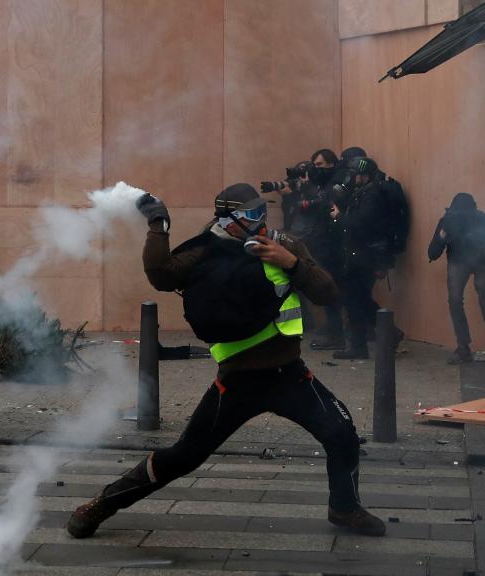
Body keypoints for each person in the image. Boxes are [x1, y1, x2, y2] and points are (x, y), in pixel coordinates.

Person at [67, 183, 386, 539]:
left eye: (260, 213)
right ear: (227, 220)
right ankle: (102, 504)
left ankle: (345, 509)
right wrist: (159, 225)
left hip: (289, 374)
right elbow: (161, 275)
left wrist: (291, 263)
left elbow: (326, 292)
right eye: (250, 216)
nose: (258, 222)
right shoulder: (206, 250)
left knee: (341, 434)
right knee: (184, 455)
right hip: (237, 380)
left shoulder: (284, 244)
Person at [329, 157, 403, 359]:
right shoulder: (365, 192)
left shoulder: (373, 195)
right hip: (361, 254)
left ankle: (359, 346)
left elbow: (361, 223)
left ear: (365, 175)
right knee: (359, 299)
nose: (351, 178)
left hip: (366, 256)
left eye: (355, 175)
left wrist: (339, 217)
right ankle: (390, 333)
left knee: (354, 300)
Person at [428, 193, 485, 364]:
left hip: (464, 262)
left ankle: (464, 347)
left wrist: (442, 236)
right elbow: (433, 252)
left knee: (456, 301)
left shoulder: (449, 219)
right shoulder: (479, 218)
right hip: (472, 261)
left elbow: (433, 252)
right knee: (483, 292)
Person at [298, 149, 347, 351]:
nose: (315, 169)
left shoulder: (337, 183)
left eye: (319, 165)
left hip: (332, 246)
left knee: (331, 289)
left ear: (331, 164)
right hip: (323, 243)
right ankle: (334, 331)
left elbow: (327, 208)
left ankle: (336, 335)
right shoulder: (324, 183)